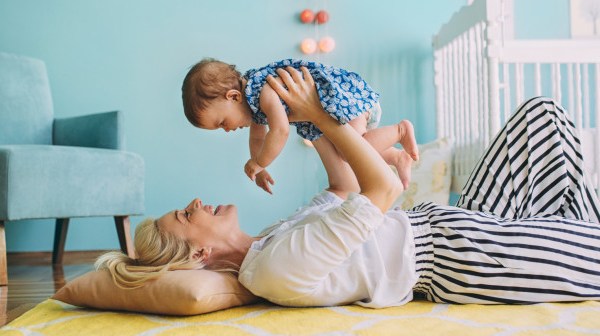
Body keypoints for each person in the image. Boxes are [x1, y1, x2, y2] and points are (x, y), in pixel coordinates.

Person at [97, 67, 600, 306]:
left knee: (541, 118)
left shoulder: (274, 237)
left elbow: (342, 185)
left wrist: (305, 119)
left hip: (453, 222)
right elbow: (380, 190)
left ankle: (566, 232)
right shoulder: (274, 269)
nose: (193, 203)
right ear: (201, 255)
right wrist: (322, 116)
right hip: (461, 256)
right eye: (186, 216)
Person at [180, 58, 419, 194]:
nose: (227, 130)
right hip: (333, 114)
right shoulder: (254, 108)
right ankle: (397, 157)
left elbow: (280, 130)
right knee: (351, 152)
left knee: (351, 152)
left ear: (233, 96)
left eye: (222, 122)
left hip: (344, 101)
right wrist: (260, 168)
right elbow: (257, 139)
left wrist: (260, 161)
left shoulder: (264, 92)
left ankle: (400, 130)